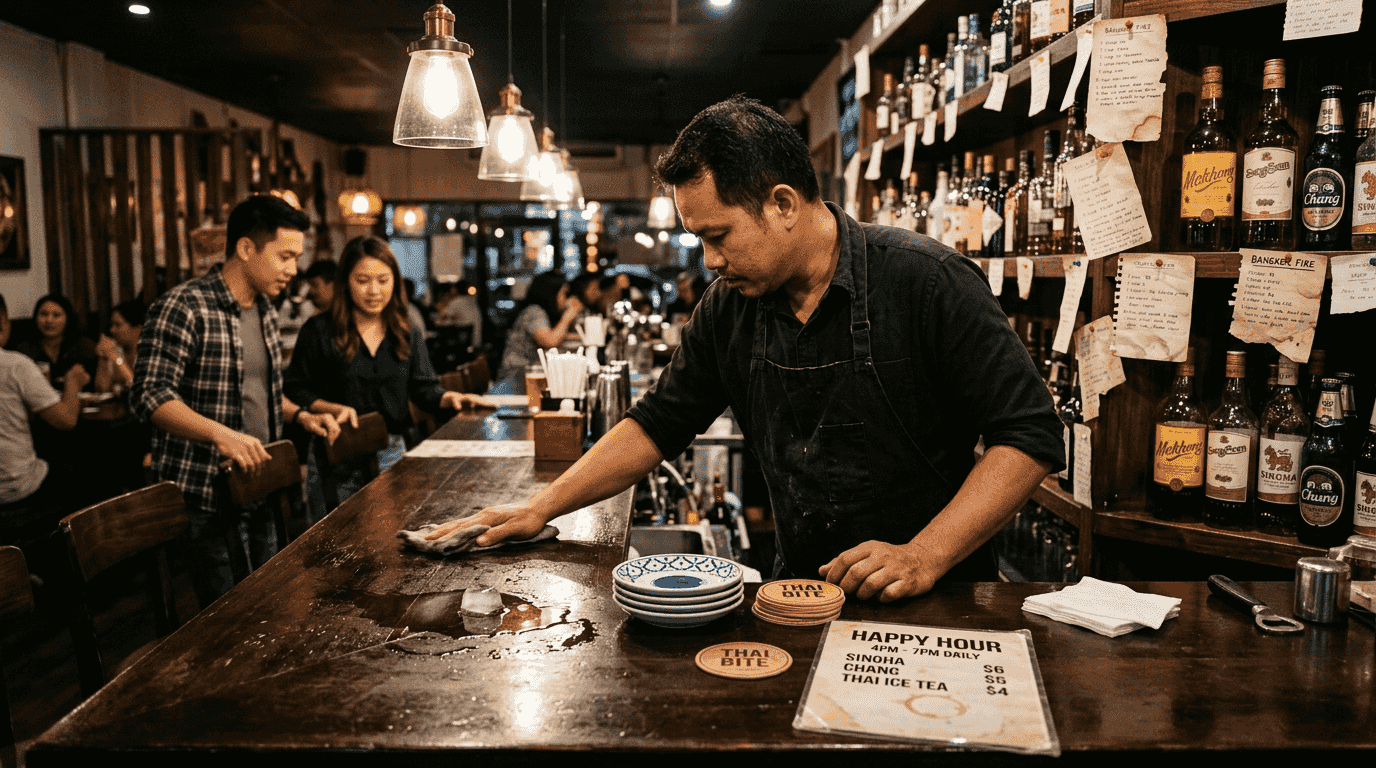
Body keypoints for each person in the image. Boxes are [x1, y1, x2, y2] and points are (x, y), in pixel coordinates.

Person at [464, 96, 1063, 602]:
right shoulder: (731, 305)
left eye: (718, 236)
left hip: (938, 600)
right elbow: (657, 423)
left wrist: (923, 555)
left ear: (781, 204)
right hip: (799, 595)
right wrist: (542, 508)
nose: (711, 261)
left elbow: (1029, 433)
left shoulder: (926, 280)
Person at [129, 194, 341, 606]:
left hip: (261, 480)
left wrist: (301, 417)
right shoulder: (184, 306)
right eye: (284, 256)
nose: (292, 270)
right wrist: (219, 435)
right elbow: (149, 395)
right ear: (246, 249)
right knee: (226, 615)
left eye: (296, 258)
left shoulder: (263, 308)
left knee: (267, 605)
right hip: (206, 491)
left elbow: (255, 390)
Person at [285, 236, 479, 505]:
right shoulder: (319, 330)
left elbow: (423, 387)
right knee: (336, 544)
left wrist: (449, 398)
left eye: (383, 280)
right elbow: (296, 388)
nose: (374, 290)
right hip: (336, 455)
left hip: (391, 452)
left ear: (395, 282)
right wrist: (329, 408)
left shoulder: (405, 328)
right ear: (345, 282)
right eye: (362, 281)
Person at [0, 294, 89, 582]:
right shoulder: (15, 363)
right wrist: (74, 382)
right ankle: (71, 578)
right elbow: (66, 420)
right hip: (15, 486)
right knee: (87, 479)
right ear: (3, 323)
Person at [491, 271, 581, 393]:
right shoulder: (534, 312)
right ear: (552, 292)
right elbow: (550, 341)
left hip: (523, 378)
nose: (565, 299)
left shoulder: (539, 311)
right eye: (564, 293)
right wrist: (568, 316)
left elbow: (555, 335)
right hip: (513, 382)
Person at [16, 293, 104, 392]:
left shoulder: (85, 346)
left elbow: (98, 387)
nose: (49, 320)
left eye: (56, 315)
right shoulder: (24, 350)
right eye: (43, 314)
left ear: (68, 318)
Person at [95, 298, 146, 390]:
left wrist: (117, 359)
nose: (112, 330)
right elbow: (101, 389)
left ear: (138, 329)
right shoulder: (115, 349)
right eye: (112, 325)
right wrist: (103, 357)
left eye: (118, 325)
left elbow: (139, 388)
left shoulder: (148, 352)